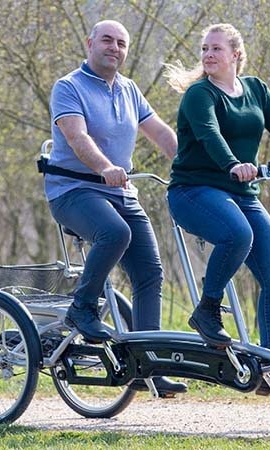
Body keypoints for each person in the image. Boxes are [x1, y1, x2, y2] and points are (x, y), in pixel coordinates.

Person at [164, 23, 270, 401]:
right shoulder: (199, 94)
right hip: (194, 190)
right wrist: (233, 163)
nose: (208, 55)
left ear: (236, 55)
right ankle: (208, 310)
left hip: (243, 193)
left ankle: (269, 371)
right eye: (204, 49)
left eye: (216, 49)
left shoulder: (256, 89)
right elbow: (209, 134)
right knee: (237, 234)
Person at [46, 20, 186, 396]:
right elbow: (77, 136)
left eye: (122, 43)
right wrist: (105, 167)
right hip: (74, 190)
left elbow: (159, 132)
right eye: (107, 40)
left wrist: (188, 163)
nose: (115, 48)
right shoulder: (69, 86)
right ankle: (83, 307)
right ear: (90, 43)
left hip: (121, 194)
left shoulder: (129, 89)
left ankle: (148, 364)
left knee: (150, 272)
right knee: (115, 232)